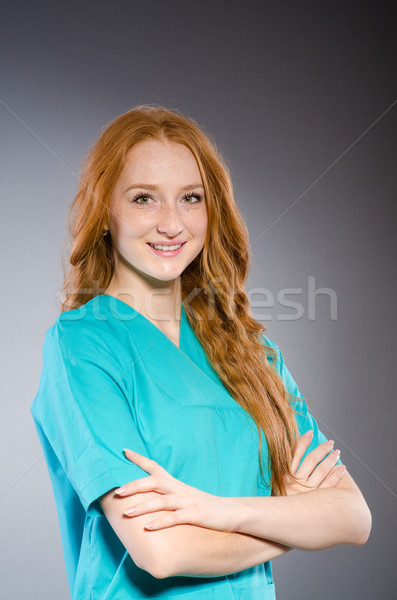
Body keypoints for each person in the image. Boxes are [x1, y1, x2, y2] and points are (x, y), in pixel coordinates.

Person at [31, 105, 372, 600]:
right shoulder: (83, 344)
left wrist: (221, 511)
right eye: (144, 198)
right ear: (105, 213)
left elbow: (353, 516)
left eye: (191, 198)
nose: (172, 223)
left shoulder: (251, 350)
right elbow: (161, 552)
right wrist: (289, 519)